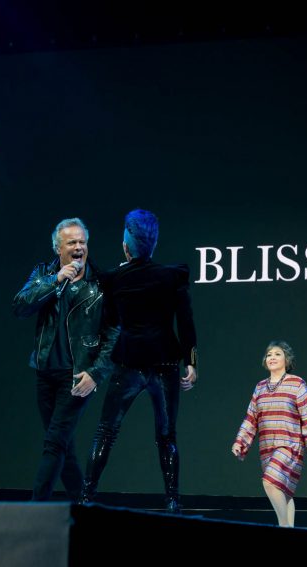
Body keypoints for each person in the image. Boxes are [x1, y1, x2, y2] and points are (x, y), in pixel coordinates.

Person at [80, 209, 198, 514]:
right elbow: (186, 322)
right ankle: (172, 501)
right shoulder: (172, 276)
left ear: (126, 246)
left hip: (129, 362)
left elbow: (109, 322)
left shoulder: (114, 279)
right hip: (165, 363)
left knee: (106, 432)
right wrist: (191, 361)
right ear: (153, 243)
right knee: (166, 436)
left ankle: (86, 498)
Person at [12, 218, 118, 501]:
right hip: (46, 373)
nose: (79, 247)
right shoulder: (44, 274)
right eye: (72, 243)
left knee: (55, 442)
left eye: (82, 242)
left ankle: (35, 509)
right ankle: (83, 503)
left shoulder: (101, 283)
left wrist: (96, 373)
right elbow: (20, 306)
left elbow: (114, 335)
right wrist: (55, 280)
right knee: (63, 445)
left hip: (77, 376)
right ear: (58, 249)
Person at [231, 341, 307, 527]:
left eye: (277, 354)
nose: (272, 357)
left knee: (270, 482)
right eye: (269, 355)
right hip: (267, 447)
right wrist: (240, 441)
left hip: (290, 446)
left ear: (287, 359)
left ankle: (283, 526)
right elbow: (251, 418)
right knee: (284, 492)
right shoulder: (260, 387)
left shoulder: (297, 384)